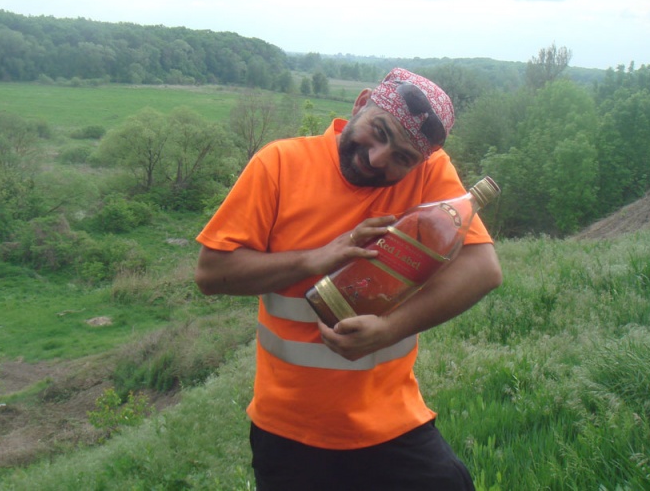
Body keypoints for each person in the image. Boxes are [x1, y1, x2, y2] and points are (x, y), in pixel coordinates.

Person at [195, 67, 502, 490]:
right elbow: (211, 274)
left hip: (393, 421)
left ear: (420, 161)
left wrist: (389, 329)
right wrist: (315, 259)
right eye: (379, 132)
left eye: (401, 157)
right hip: (289, 430)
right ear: (360, 103)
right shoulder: (280, 163)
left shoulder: (429, 172)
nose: (378, 158)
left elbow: (483, 269)